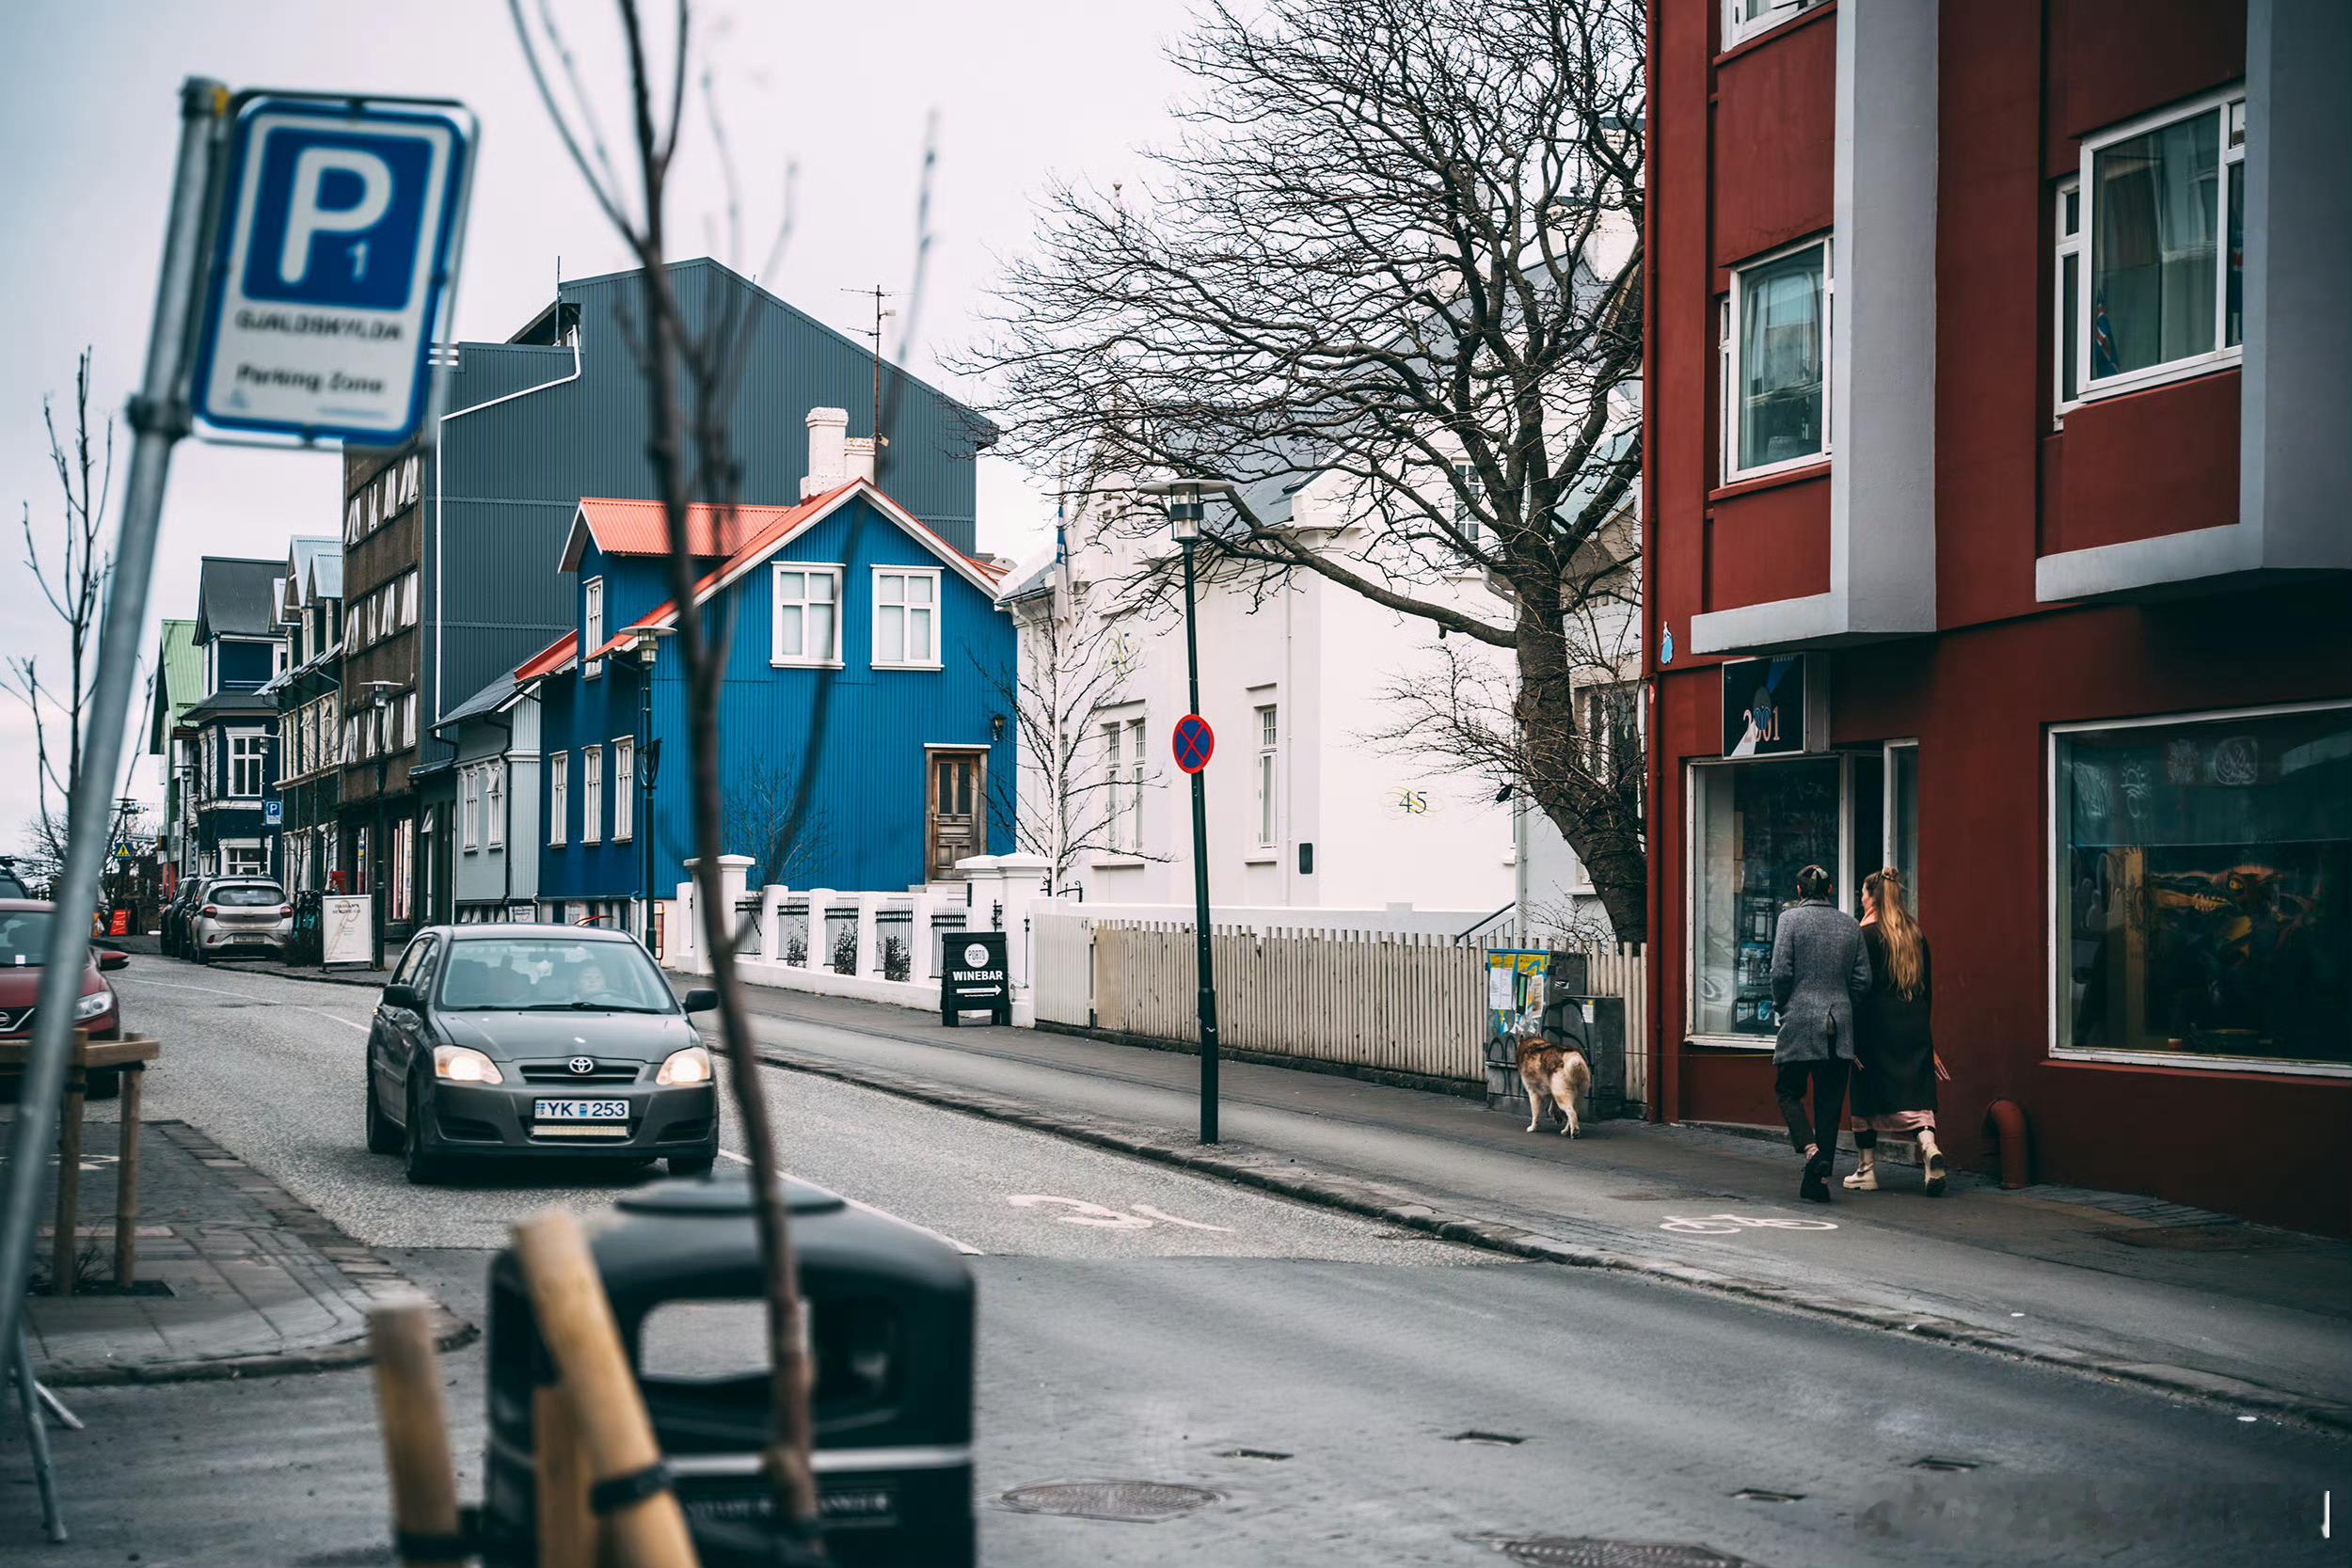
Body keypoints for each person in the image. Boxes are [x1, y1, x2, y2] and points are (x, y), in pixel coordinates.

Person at [1771, 863, 1872, 1203]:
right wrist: (1843, 1004)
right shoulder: (1850, 924)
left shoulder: (1789, 921)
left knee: (1788, 1091)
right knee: (1830, 1104)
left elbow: (1780, 973)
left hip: (1799, 1020)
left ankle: (1810, 1150)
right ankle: (1819, 1181)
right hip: (1839, 1026)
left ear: (1800, 891)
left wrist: (1783, 1005)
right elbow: (1863, 980)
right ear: (1830, 890)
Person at [1846, 867, 1946, 1195]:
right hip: (1914, 1023)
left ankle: (1866, 1171)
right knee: (1917, 1094)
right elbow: (1927, 987)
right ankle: (1929, 1147)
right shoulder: (1915, 933)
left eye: (1863, 895)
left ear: (1872, 898)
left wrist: (1852, 1035)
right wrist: (1928, 1039)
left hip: (1875, 1025)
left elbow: (1859, 987)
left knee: (1865, 1093)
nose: (1861, 900)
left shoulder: (1866, 936)